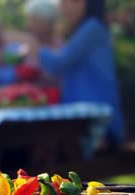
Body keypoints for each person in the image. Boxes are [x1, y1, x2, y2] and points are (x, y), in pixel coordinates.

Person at [31, 0, 124, 147]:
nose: (61, 10)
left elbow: (59, 63)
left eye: (64, 3)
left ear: (81, 3)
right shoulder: (86, 29)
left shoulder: (92, 28)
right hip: (82, 121)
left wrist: (33, 46)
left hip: (99, 125)